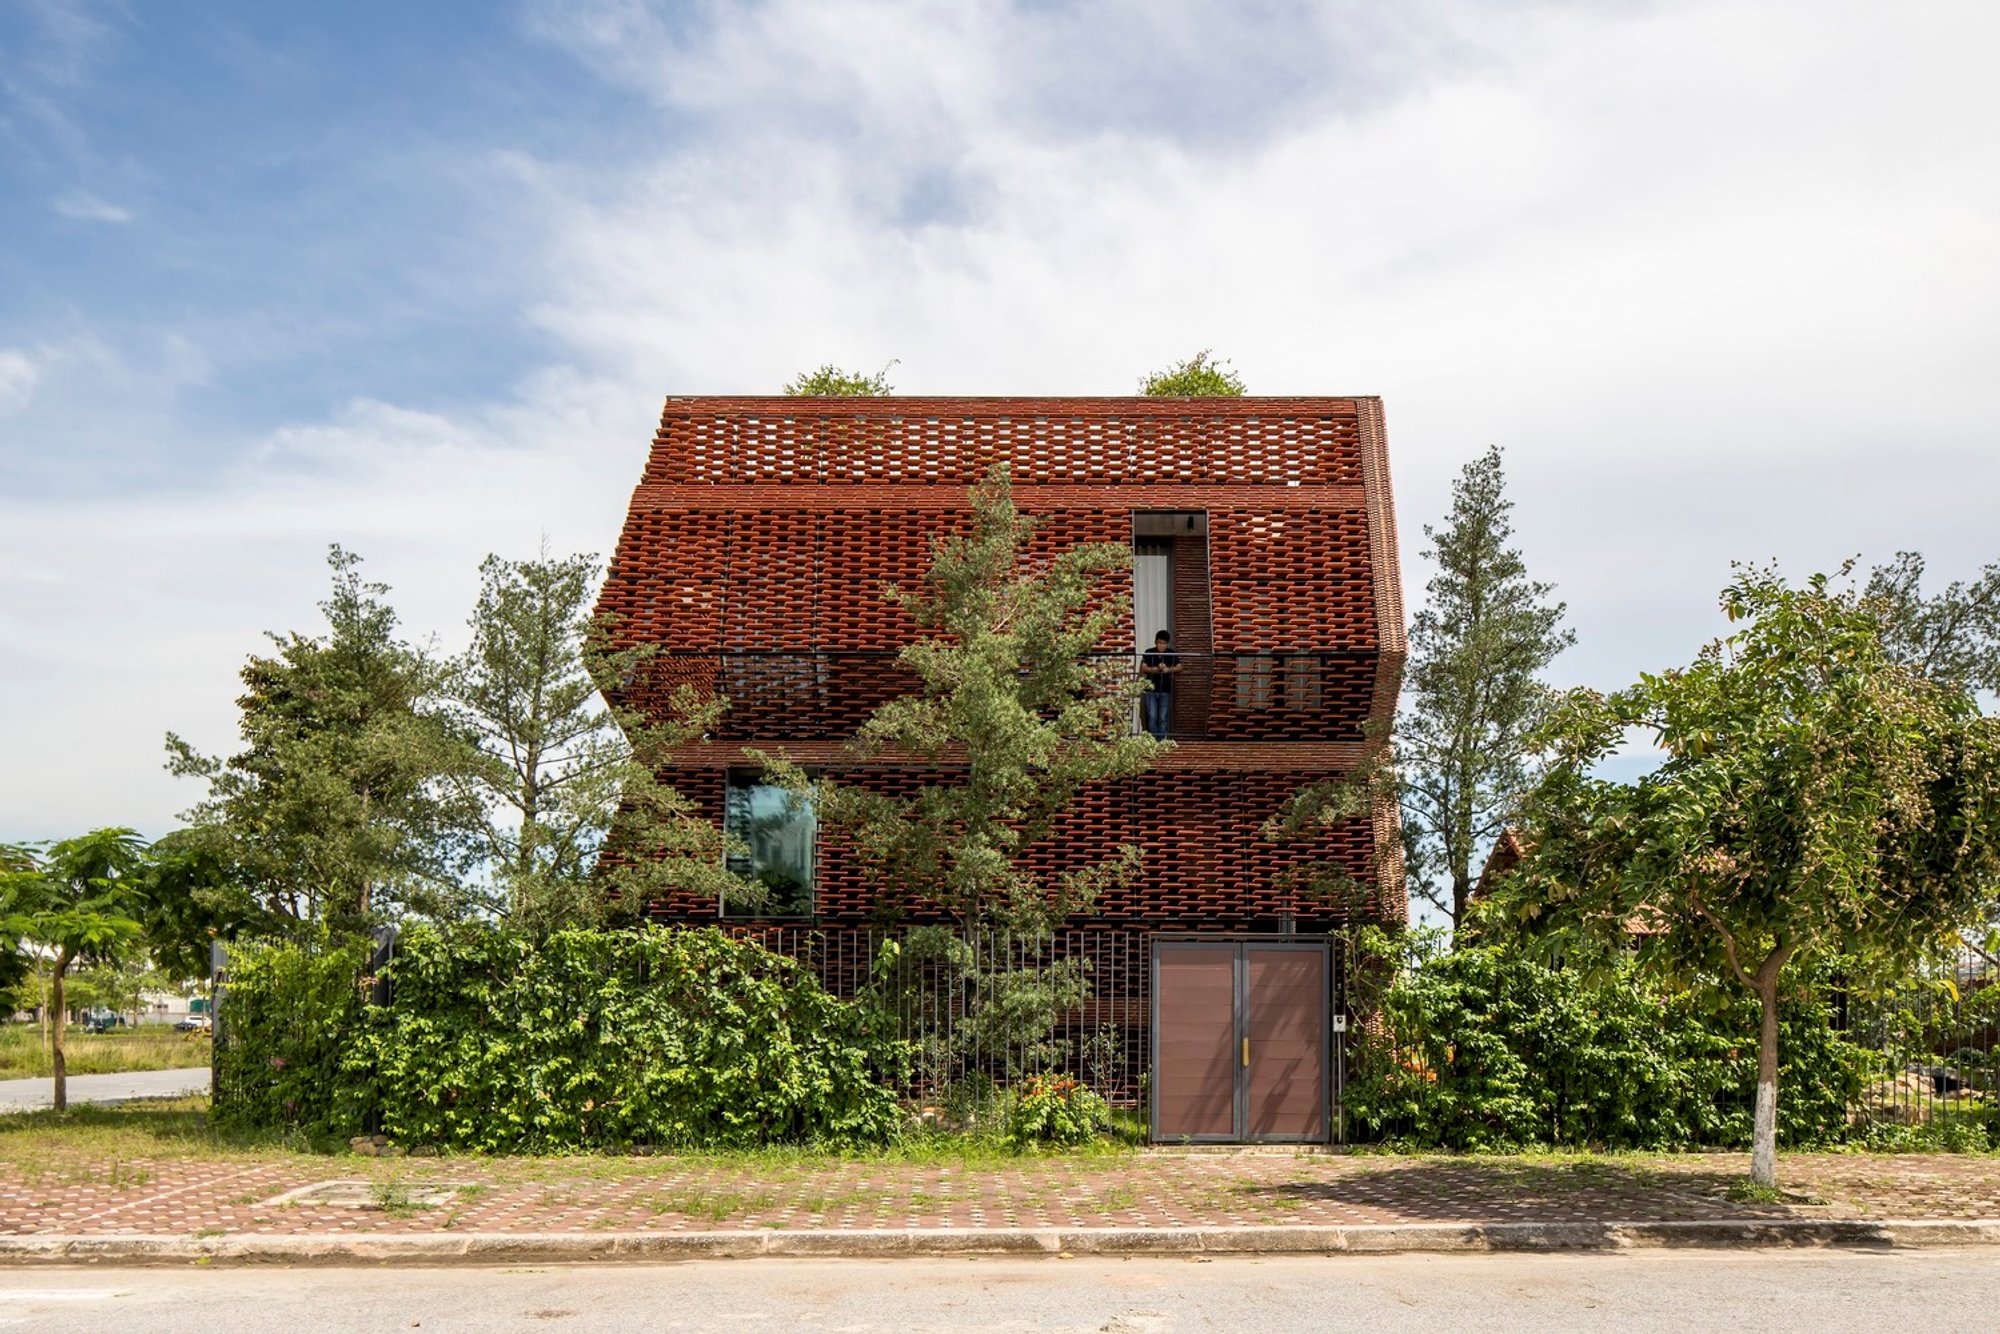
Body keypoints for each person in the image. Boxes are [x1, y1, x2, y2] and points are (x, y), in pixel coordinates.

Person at [1139, 630, 1181, 739]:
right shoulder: (1149, 652)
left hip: (1165, 690)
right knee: (1152, 717)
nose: (1161, 645)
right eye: (1159, 642)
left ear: (1167, 644)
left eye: (1164, 643)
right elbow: (1143, 668)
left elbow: (1180, 667)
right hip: (1150, 690)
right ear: (1155, 642)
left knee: (1163, 717)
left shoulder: (1171, 653)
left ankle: (1161, 741)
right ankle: (1154, 741)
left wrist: (1168, 669)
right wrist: (1156, 669)